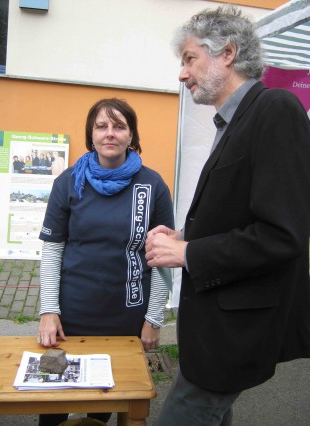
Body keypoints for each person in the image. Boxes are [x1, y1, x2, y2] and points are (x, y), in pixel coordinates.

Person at [145, 6, 310, 426]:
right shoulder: (235, 119)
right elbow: (243, 213)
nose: (182, 75)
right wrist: (186, 233)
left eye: (189, 59)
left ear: (228, 53)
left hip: (234, 333)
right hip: (216, 330)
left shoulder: (276, 108)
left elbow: (282, 235)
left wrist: (188, 253)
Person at [37, 98, 174, 426]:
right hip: (71, 317)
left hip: (126, 319)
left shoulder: (152, 186)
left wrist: (153, 319)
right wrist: (47, 311)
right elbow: (53, 250)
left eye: (119, 126)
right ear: (91, 134)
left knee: (103, 402)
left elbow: (163, 259)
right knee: (53, 404)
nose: (109, 134)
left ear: (131, 135)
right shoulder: (69, 182)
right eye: (101, 126)